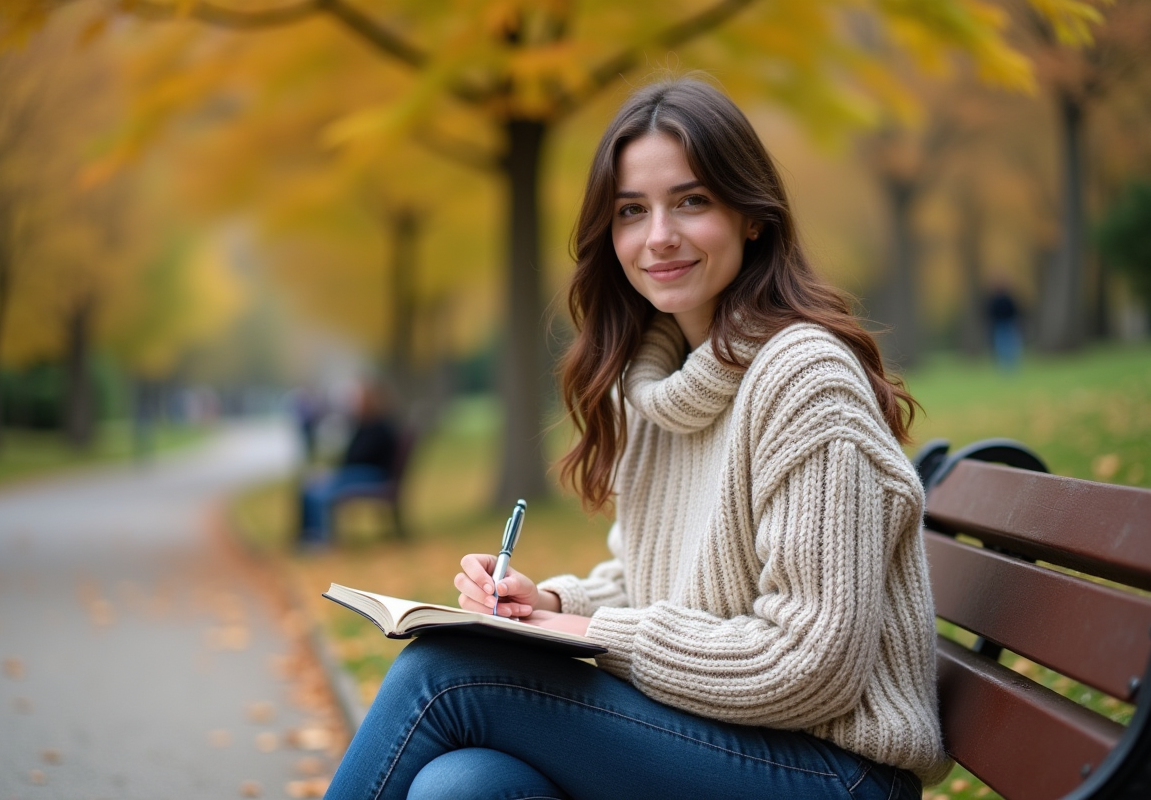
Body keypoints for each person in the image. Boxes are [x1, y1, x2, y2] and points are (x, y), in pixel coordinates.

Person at [324, 78, 949, 799]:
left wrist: (593, 637)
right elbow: (647, 581)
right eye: (631, 211)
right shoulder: (661, 391)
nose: (659, 236)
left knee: (444, 673)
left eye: (691, 201)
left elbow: (810, 665)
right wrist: (550, 608)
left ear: (750, 216)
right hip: (725, 742)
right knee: (462, 786)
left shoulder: (803, 378)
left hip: (830, 769)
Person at [297, 380, 398, 546]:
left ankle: (321, 539)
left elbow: (359, 456)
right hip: (358, 473)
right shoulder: (365, 425)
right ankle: (309, 536)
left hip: (369, 475)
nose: (354, 404)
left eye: (358, 400)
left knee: (319, 492)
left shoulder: (378, 427)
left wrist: (335, 473)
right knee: (310, 487)